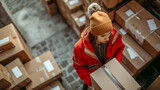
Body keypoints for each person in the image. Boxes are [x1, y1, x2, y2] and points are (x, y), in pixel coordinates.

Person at [72, 3, 125, 90]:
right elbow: (79, 66)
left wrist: (115, 64)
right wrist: (90, 83)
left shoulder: (114, 36)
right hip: (92, 77)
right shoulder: (80, 48)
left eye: (109, 33)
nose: (107, 38)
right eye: (103, 36)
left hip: (108, 72)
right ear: (94, 35)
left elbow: (120, 48)